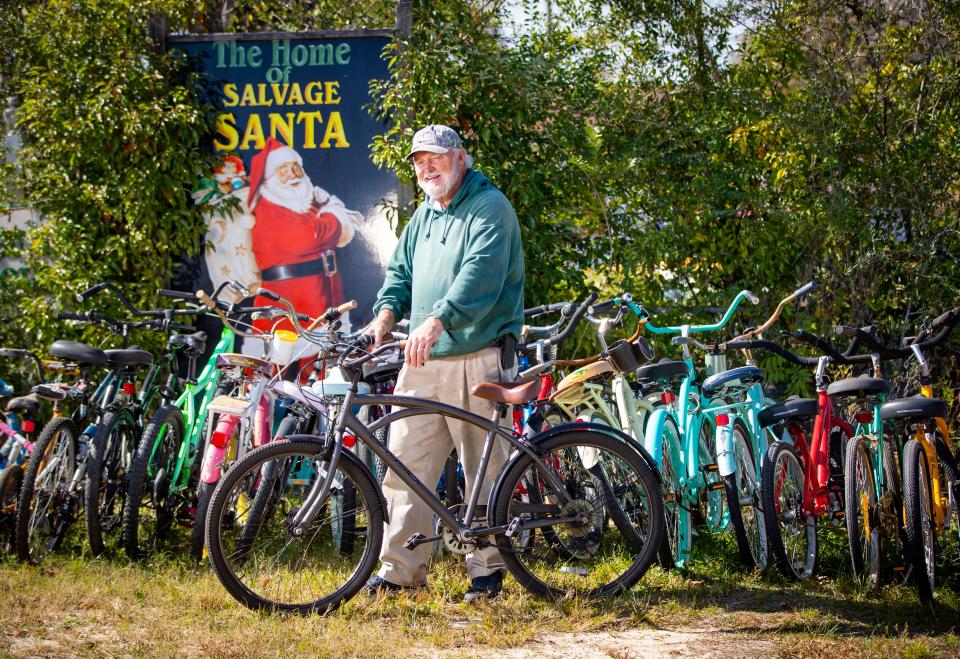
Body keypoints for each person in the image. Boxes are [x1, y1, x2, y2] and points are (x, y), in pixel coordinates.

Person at [363, 124, 525, 602]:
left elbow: (481, 275)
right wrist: (385, 316)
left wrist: (436, 320)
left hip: (479, 355)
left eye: (435, 157)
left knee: (483, 469)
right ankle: (400, 570)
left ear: (460, 158)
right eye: (418, 161)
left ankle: (488, 571)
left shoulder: (489, 206)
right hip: (423, 360)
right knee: (405, 463)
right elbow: (399, 273)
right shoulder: (424, 216)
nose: (426, 167)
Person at [245, 137, 362, 345]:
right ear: (270, 178)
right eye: (284, 170)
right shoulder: (267, 210)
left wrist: (326, 206)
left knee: (323, 367)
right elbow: (316, 235)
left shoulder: (304, 202)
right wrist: (334, 210)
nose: (293, 175)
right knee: (282, 370)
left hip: (322, 300)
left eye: (296, 168)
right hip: (289, 307)